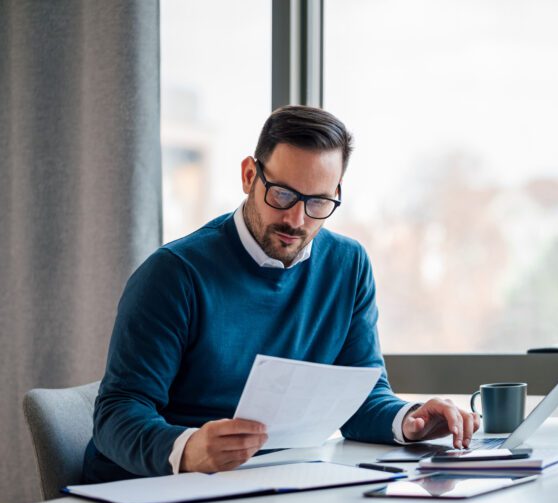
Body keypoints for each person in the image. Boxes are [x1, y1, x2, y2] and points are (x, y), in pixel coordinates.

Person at [83, 105, 480, 482]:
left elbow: (362, 398)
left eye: (318, 202)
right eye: (283, 195)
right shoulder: (173, 274)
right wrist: (188, 448)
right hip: (151, 493)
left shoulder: (348, 266)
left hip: (270, 485)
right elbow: (117, 415)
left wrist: (411, 420)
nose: (296, 219)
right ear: (248, 176)